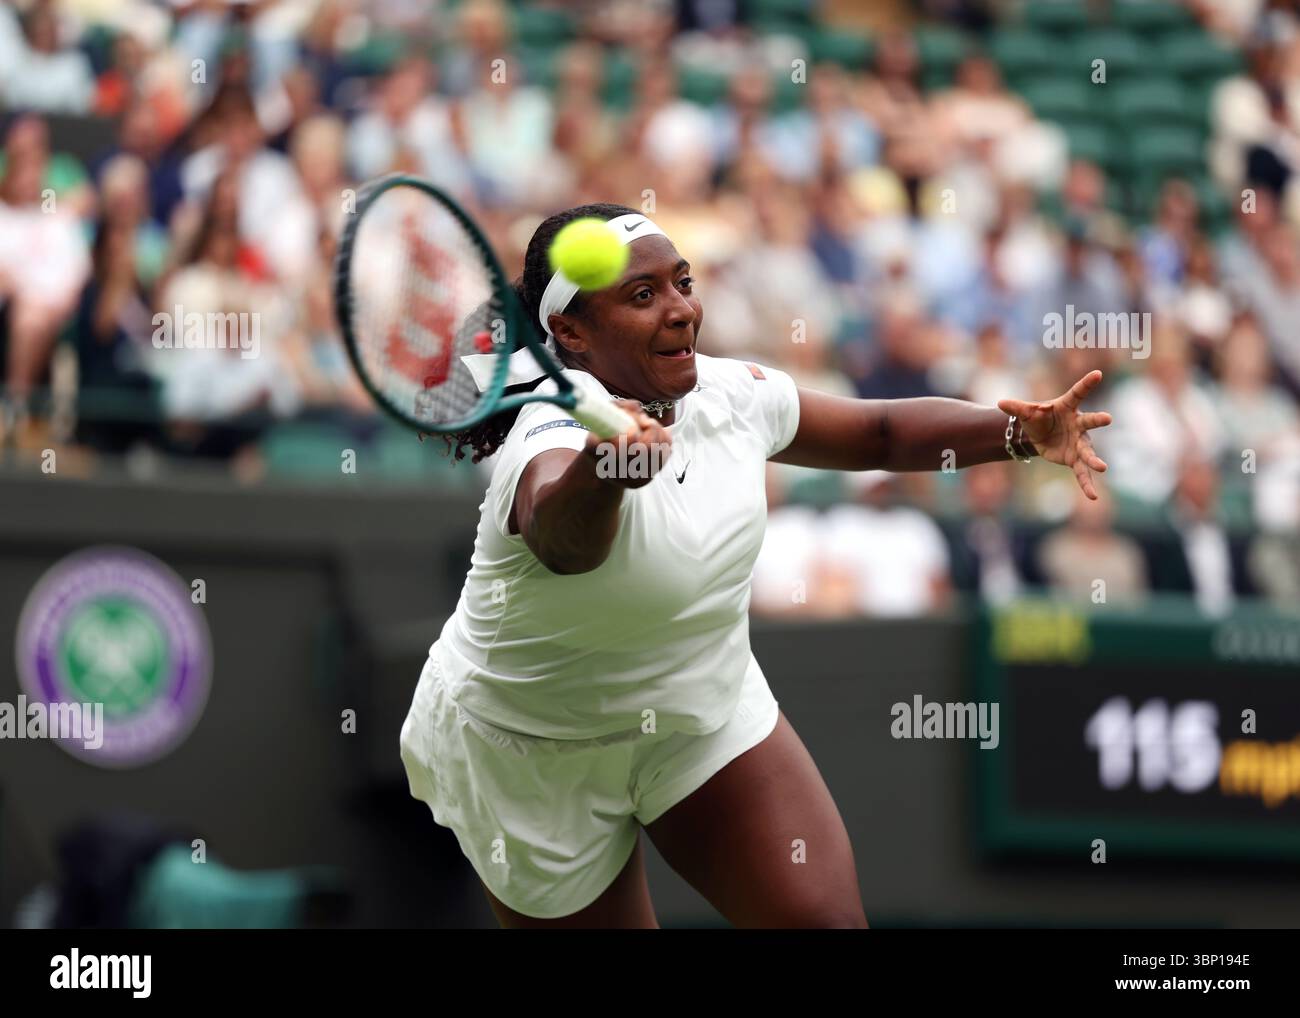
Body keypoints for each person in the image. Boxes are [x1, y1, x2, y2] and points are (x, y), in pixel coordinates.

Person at [398, 203, 1112, 929]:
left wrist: (1020, 431)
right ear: (571, 333)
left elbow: (880, 432)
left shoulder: (731, 394)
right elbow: (562, 541)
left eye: (681, 283)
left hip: (698, 707)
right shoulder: (544, 435)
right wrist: (603, 473)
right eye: (642, 295)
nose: (681, 310)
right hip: (528, 745)